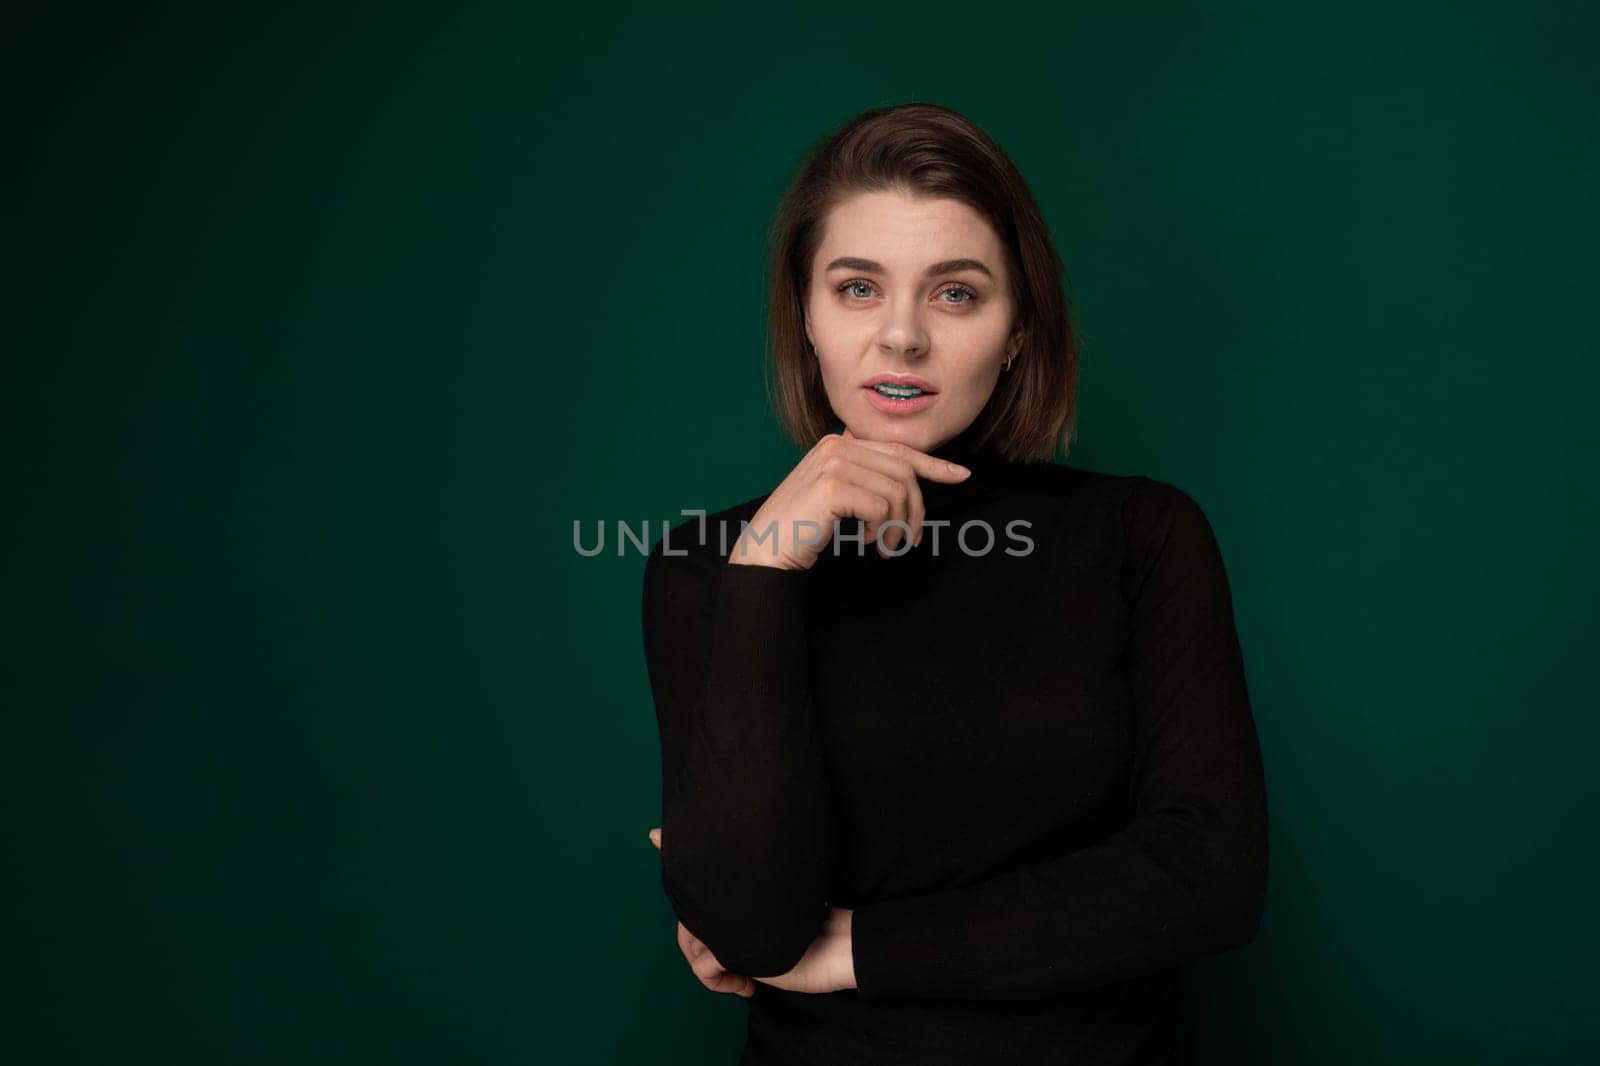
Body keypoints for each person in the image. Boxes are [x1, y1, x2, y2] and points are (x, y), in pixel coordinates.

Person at [639, 101, 1269, 1066]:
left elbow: (1209, 876)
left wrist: (867, 947)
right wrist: (766, 567)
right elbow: (751, 934)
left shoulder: (1141, 534)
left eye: (956, 294)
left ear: (1018, 328)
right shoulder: (708, 565)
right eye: (856, 288)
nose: (900, 338)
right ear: (803, 317)